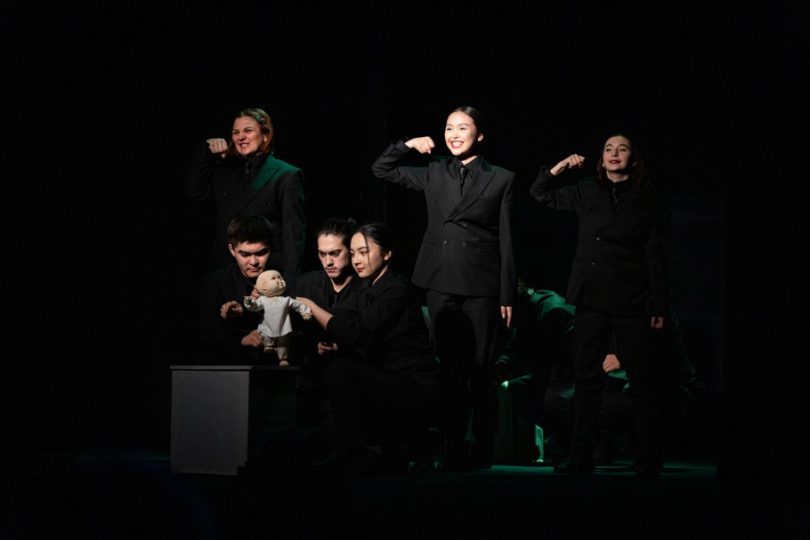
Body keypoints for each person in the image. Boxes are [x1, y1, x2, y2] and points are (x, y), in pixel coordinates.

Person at [371, 105, 516, 470]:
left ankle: (482, 449)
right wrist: (408, 144)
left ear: (479, 135)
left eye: (462, 127)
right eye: (449, 127)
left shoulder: (501, 178)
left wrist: (507, 293)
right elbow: (381, 169)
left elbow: (507, 239)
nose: (453, 134)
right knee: (449, 371)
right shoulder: (435, 170)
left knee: (480, 371)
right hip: (440, 279)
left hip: (481, 283)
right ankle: (453, 449)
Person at [529, 133, 671, 478]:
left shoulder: (649, 200)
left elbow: (656, 258)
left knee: (641, 380)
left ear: (633, 159)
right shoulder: (587, 190)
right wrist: (562, 166)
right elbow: (540, 193)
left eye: (622, 149)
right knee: (586, 379)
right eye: (608, 148)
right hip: (591, 296)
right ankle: (582, 456)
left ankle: (649, 457)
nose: (614, 153)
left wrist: (658, 305)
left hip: (632, 297)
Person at [296, 223, 443, 475]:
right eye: (353, 253)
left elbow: (359, 333)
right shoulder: (366, 288)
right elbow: (341, 318)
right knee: (315, 441)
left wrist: (311, 307)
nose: (356, 260)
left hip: (414, 385)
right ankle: (382, 451)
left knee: (340, 371)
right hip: (388, 381)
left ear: (386, 254)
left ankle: (367, 451)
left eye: (363, 252)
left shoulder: (396, 289)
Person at [187, 107, 306, 289]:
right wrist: (206, 150)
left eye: (248, 130)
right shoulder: (224, 170)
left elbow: (293, 235)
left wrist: (289, 282)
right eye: (236, 132)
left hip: (266, 274)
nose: (240, 137)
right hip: (224, 271)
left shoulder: (286, 175)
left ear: (265, 135)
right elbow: (194, 192)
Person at [289, 217, 364, 428]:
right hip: (309, 374)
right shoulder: (305, 283)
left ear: (351, 251)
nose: (328, 262)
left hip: (352, 378)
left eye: (335, 253)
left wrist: (339, 347)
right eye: (322, 254)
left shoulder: (365, 286)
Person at [195, 215, 277, 364]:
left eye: (261, 253)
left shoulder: (287, 281)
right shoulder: (215, 283)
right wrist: (242, 339)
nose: (254, 262)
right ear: (232, 250)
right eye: (245, 254)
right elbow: (206, 333)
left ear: (271, 247)